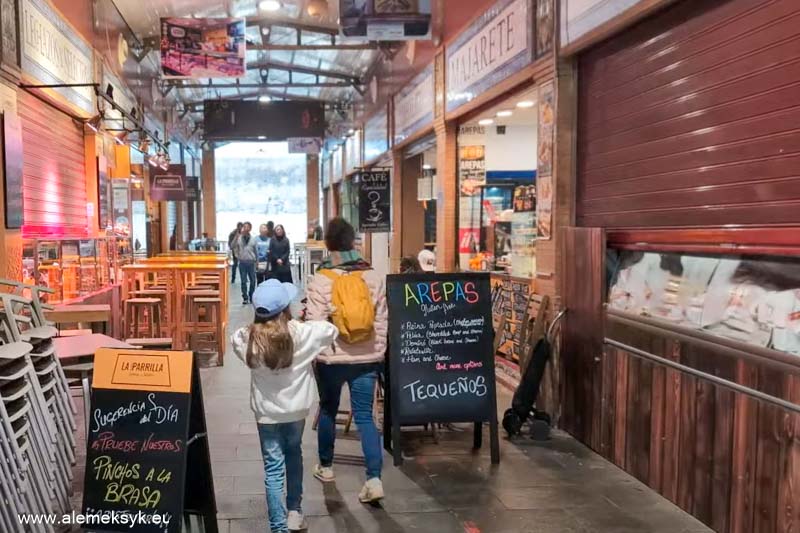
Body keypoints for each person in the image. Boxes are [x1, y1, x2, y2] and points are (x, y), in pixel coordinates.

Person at [231, 280, 338, 533]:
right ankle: (294, 513)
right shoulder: (302, 333)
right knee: (294, 454)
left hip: (266, 413)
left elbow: (236, 339)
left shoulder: (247, 338)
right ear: (285, 308)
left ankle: (278, 526)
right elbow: (330, 330)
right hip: (296, 411)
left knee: (273, 467)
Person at [304, 217, 387, 504]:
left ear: (328, 244)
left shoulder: (321, 278)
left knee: (328, 409)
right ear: (353, 242)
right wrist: (378, 350)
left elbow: (315, 323)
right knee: (364, 415)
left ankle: (326, 467)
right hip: (367, 359)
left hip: (332, 360)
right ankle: (374, 479)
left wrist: (317, 353)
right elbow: (382, 320)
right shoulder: (372, 276)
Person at [234, 222, 258, 304]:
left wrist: (257, 262)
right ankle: (245, 297)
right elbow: (234, 247)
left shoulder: (253, 239)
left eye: (248, 227)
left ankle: (251, 296)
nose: (246, 228)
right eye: (244, 227)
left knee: (253, 281)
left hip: (251, 263)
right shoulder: (239, 238)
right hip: (242, 263)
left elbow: (256, 251)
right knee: (243, 281)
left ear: (250, 228)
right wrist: (238, 256)